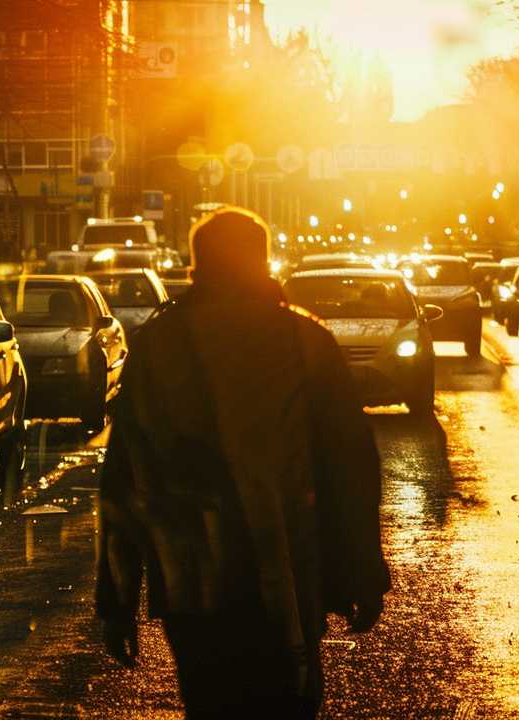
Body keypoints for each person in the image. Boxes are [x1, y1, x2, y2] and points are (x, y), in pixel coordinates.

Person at [96, 207, 388, 718]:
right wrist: (363, 571)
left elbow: (123, 481)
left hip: (192, 580)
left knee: (211, 706)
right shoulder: (305, 341)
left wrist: (117, 603)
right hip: (289, 572)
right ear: (263, 261)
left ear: (197, 265)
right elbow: (352, 468)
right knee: (288, 702)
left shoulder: (158, 346)